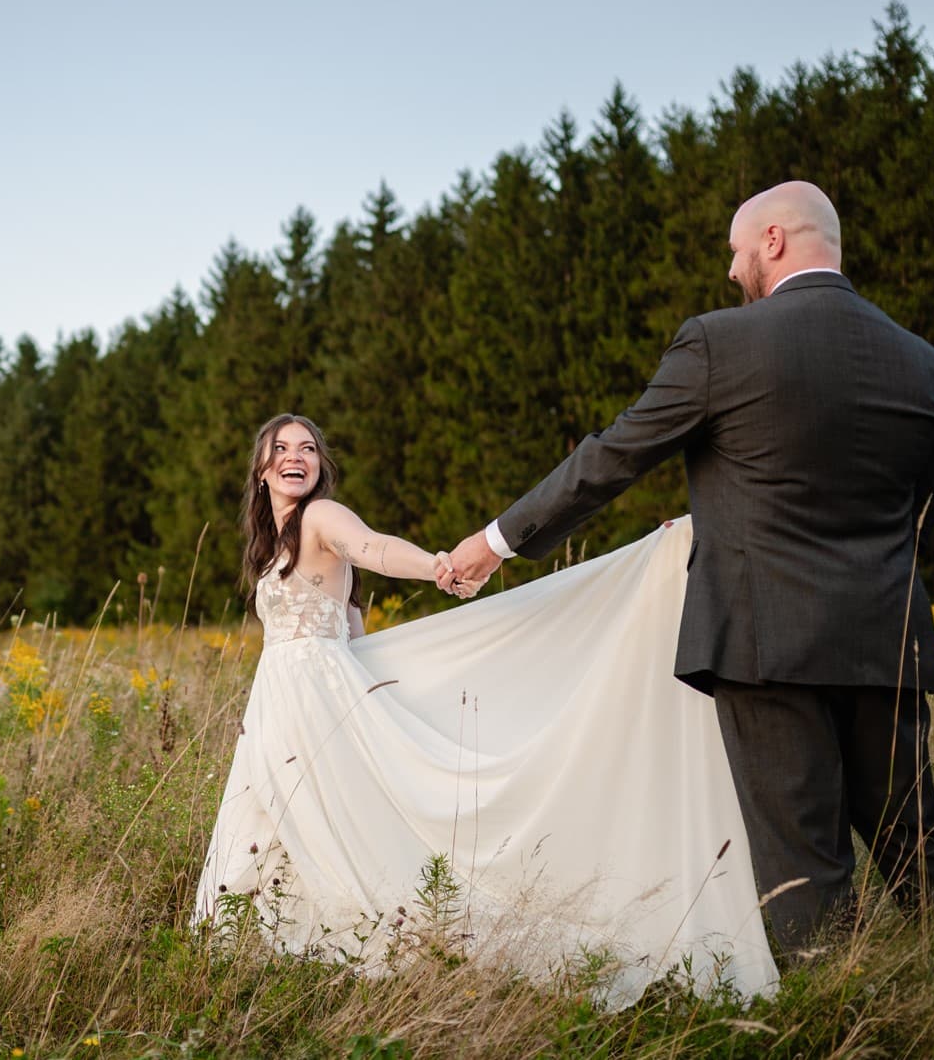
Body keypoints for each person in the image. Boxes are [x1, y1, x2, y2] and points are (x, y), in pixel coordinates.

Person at [442, 181, 934, 998]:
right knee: (918, 842)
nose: (731, 270)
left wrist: (495, 541)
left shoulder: (722, 345)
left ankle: (839, 1027)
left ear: (775, 240)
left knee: (806, 864)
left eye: (736, 249)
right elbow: (919, 516)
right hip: (885, 639)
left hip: (768, 644)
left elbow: (613, 456)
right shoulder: (922, 363)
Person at [194, 413, 778, 1006]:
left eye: (308, 448)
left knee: (337, 825)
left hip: (312, 701)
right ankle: (273, 950)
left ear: (320, 465)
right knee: (280, 823)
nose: (296, 456)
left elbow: (370, 548)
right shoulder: (272, 540)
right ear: (262, 468)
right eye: (282, 448)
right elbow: (350, 623)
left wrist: (434, 565)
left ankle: (388, 943)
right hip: (279, 702)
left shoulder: (321, 516)